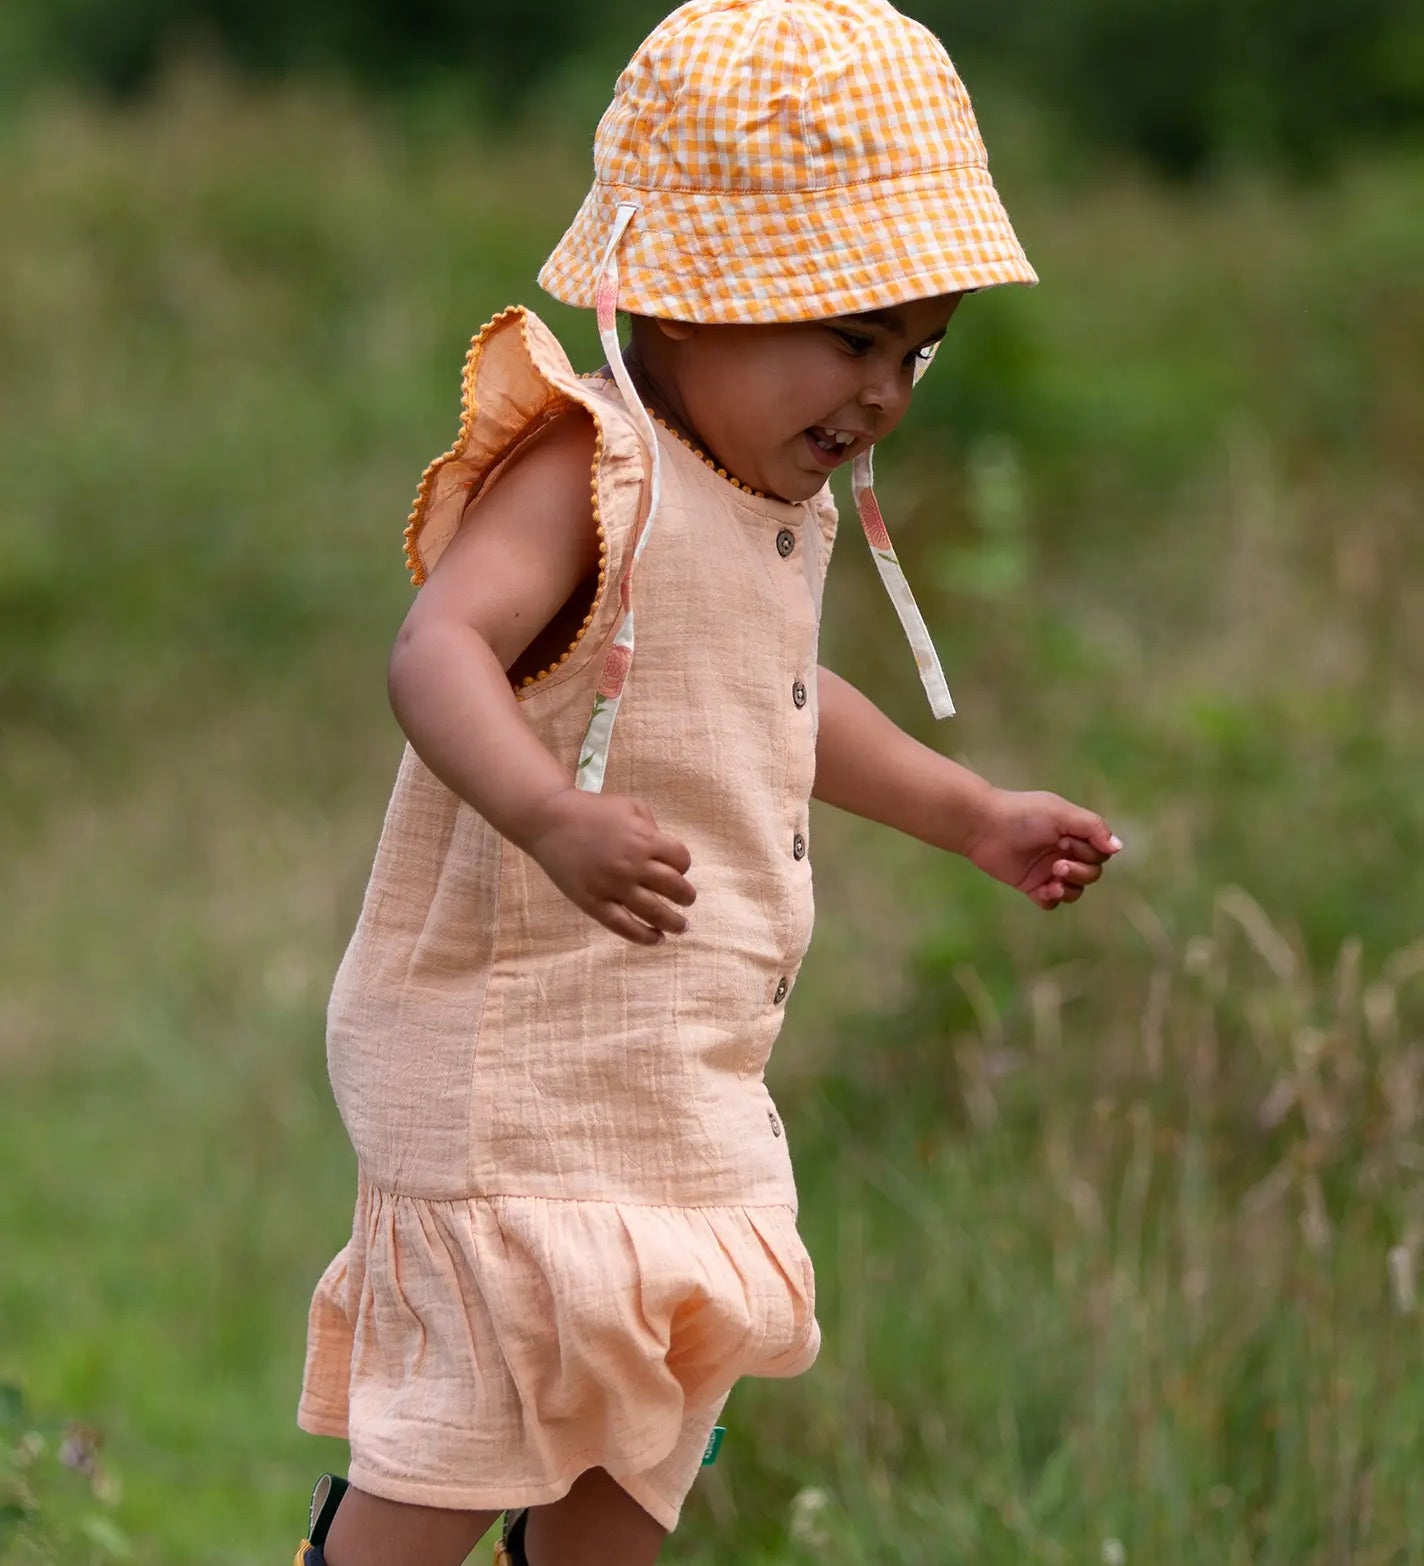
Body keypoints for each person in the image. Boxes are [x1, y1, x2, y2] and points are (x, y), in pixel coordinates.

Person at [291, 2, 1123, 1563]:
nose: (883, 391)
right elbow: (436, 650)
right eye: (850, 335)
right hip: (514, 1080)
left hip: (679, 1089)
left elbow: (779, 703)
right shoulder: (590, 464)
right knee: (461, 1451)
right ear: (686, 296)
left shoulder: (770, 510)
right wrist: (545, 815)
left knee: (647, 1446)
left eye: (915, 352)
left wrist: (971, 812)